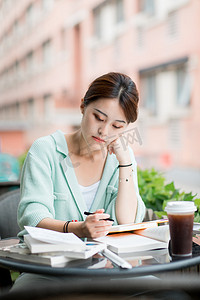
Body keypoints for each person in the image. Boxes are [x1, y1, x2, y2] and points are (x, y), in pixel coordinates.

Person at [17, 72, 145, 240]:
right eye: (98, 118)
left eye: (117, 126)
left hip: (103, 263)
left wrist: (126, 162)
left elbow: (127, 220)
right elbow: (32, 217)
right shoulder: (45, 151)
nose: (104, 132)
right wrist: (78, 229)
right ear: (83, 107)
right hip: (49, 261)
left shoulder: (121, 158)